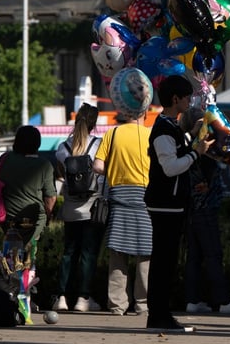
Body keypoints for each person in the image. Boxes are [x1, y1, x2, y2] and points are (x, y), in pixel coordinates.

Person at [144, 75, 213, 333]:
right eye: (186, 97)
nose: (189, 101)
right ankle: (158, 315)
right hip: (165, 205)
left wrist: (192, 144)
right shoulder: (163, 129)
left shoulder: (172, 127)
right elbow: (170, 167)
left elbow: (177, 162)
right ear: (175, 99)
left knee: (167, 262)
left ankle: (161, 314)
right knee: (163, 262)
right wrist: (197, 152)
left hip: (171, 203)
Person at [181, 107, 230, 315]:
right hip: (205, 208)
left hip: (190, 209)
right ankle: (223, 301)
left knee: (194, 256)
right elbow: (212, 176)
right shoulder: (205, 148)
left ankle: (192, 300)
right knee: (213, 254)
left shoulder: (185, 145)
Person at [95, 108, 153, 316]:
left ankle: (118, 305)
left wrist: (115, 169)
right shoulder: (150, 135)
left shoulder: (113, 134)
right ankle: (143, 304)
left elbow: (98, 166)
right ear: (145, 112)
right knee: (145, 254)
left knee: (118, 253)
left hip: (119, 198)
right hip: (146, 200)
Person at [51, 103, 103, 313]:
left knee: (68, 253)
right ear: (94, 124)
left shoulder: (63, 148)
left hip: (71, 210)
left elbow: (61, 178)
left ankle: (61, 297)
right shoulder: (98, 145)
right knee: (89, 254)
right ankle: (83, 298)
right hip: (92, 207)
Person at [0, 125, 57, 246]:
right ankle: (28, 257)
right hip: (34, 221)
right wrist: (48, 217)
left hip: (8, 220)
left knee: (12, 251)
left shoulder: (4, 159)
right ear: (37, 143)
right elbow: (51, 198)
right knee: (29, 252)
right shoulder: (44, 165)